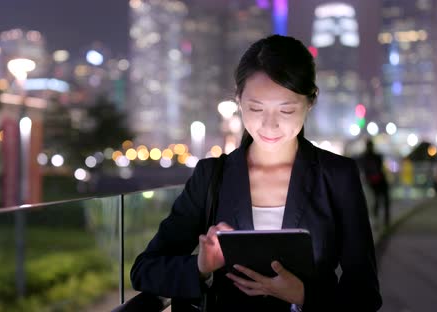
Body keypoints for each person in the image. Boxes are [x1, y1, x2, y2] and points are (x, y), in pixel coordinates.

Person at [131, 35, 382, 311]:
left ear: (310, 102)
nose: (269, 125)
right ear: (238, 100)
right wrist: (201, 267)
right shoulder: (212, 175)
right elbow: (144, 269)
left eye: (286, 110)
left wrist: (304, 295)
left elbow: (365, 293)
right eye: (255, 108)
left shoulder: (337, 176)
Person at [361, 139, 390, 228]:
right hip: (379, 181)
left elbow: (365, 171)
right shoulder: (376, 156)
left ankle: (378, 220)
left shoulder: (364, 157)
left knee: (376, 201)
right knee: (382, 201)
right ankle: (384, 220)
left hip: (373, 182)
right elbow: (380, 168)